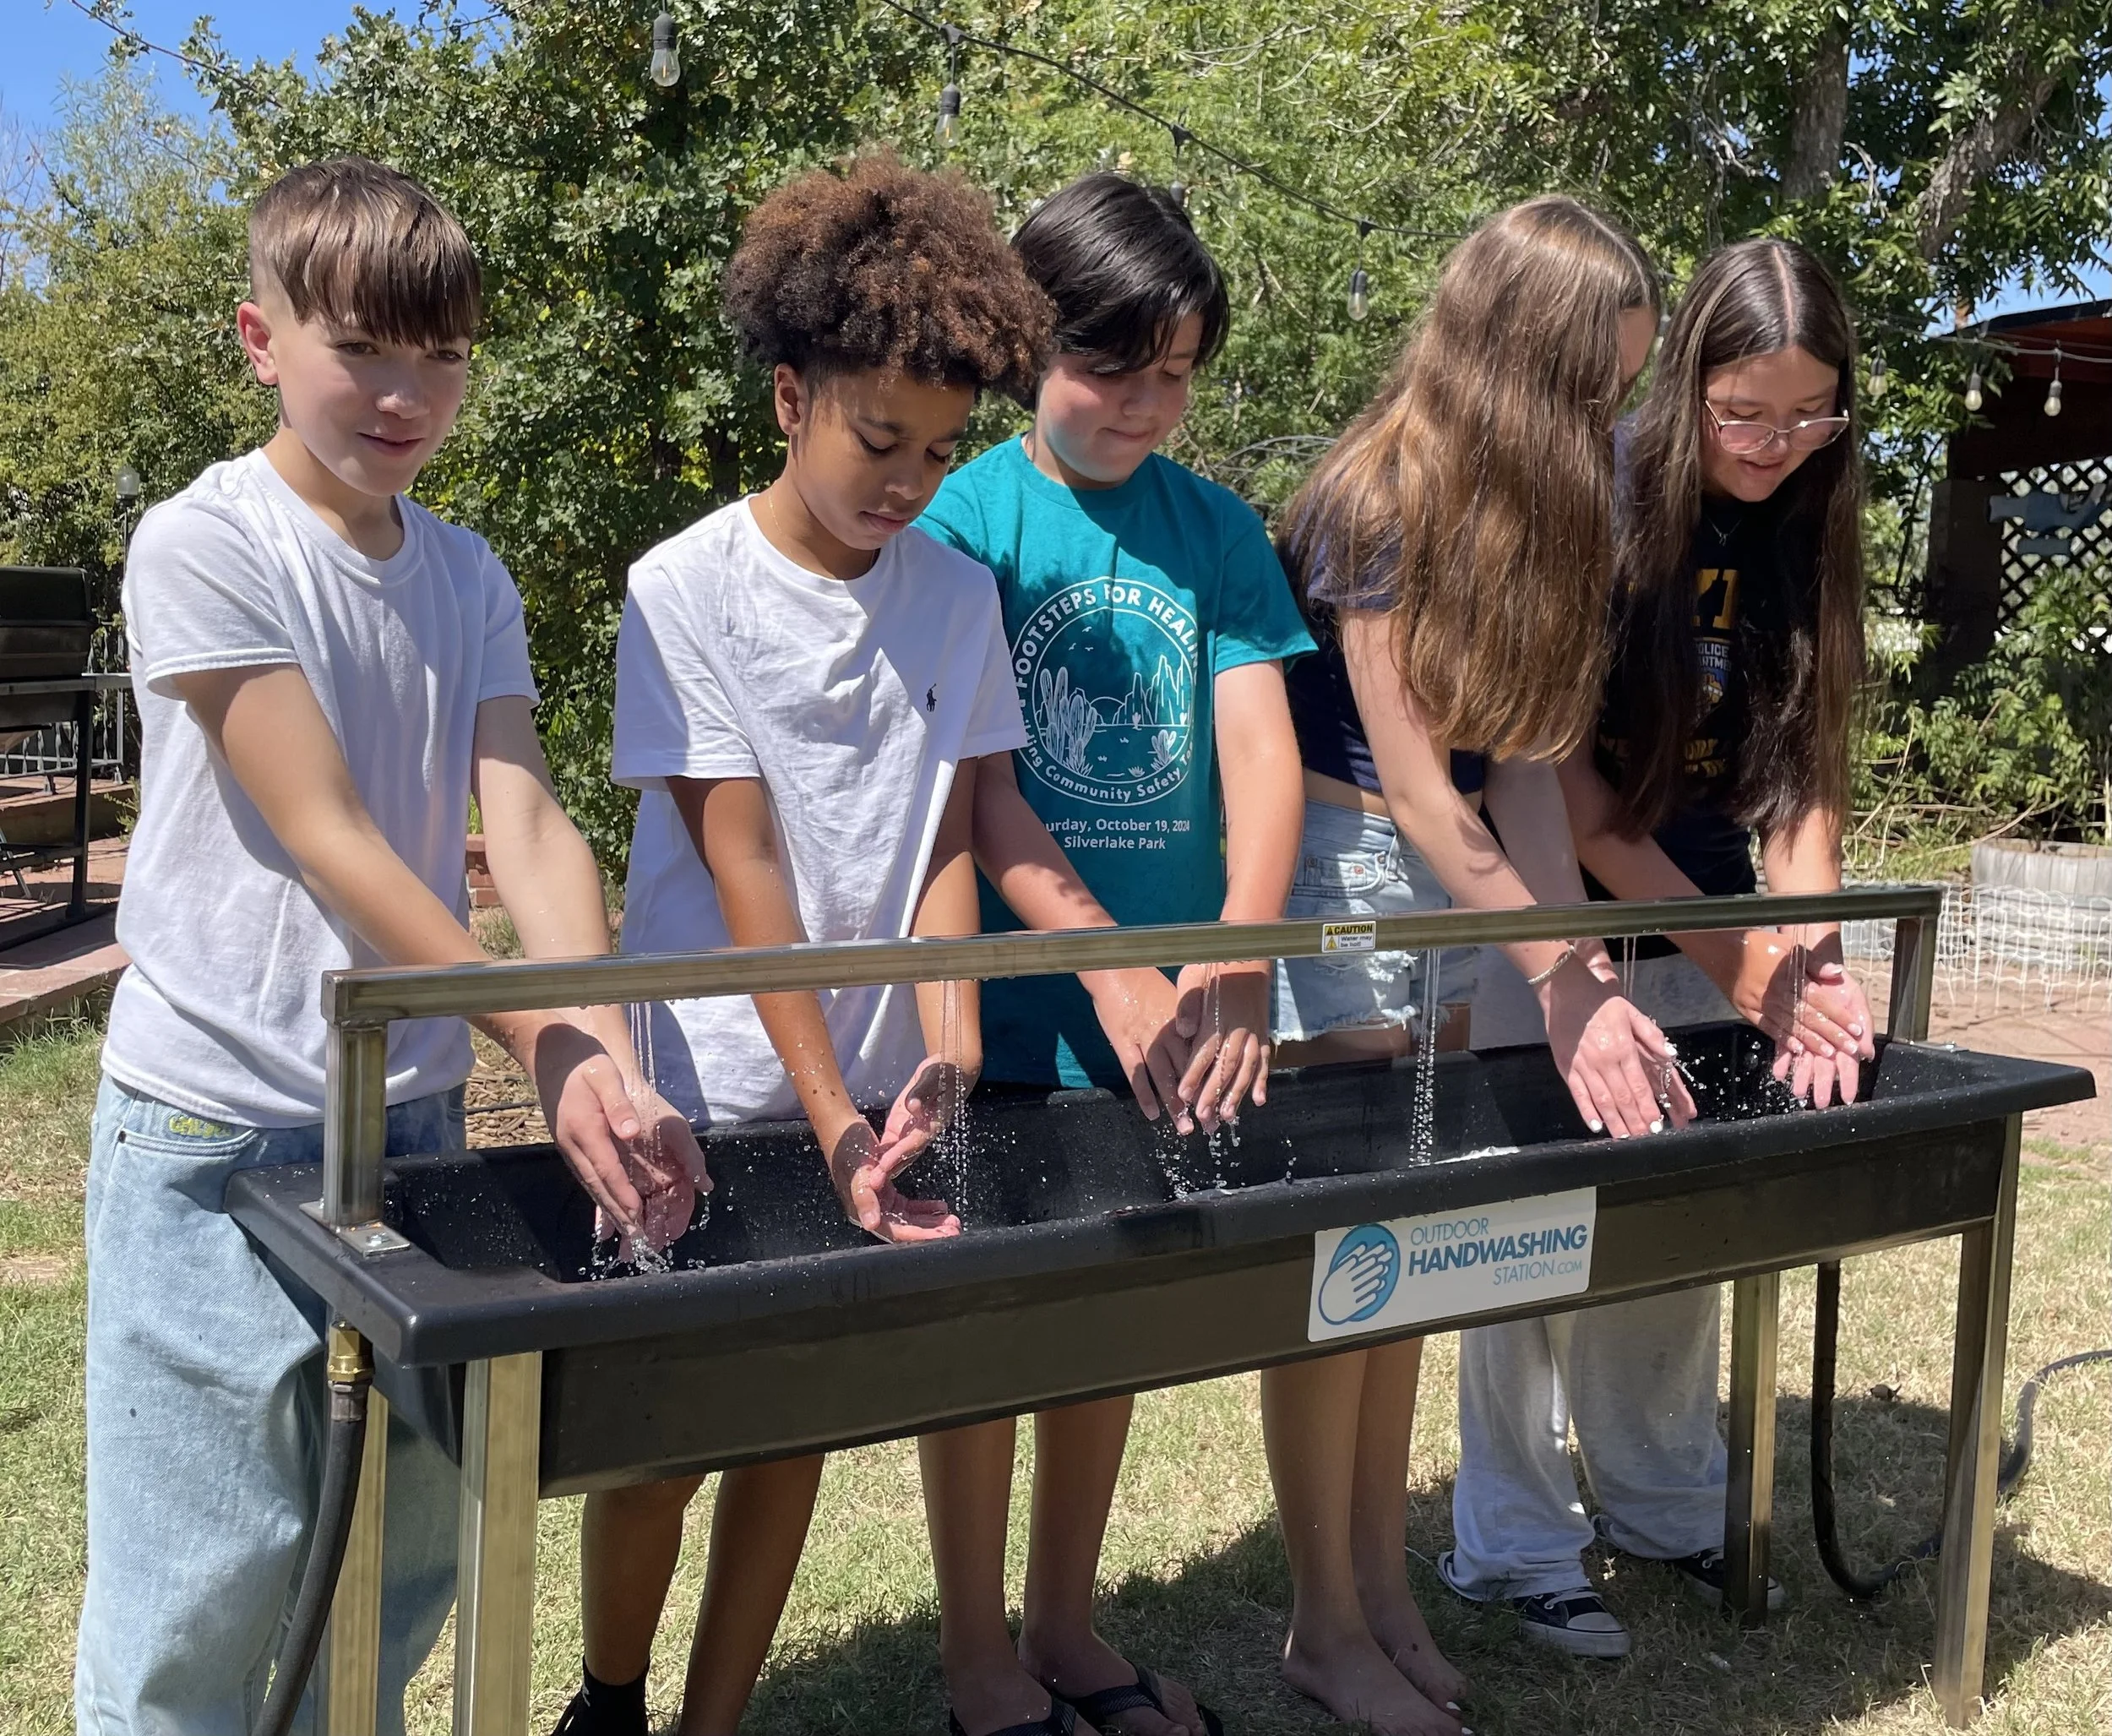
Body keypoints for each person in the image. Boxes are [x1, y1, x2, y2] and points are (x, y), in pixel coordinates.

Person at [558, 153, 1196, 1736]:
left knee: (794, 1432)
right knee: (663, 1448)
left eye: (939, 447)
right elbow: (746, 863)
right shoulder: (680, 590)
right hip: (710, 1090)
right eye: (877, 439)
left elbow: (940, 854)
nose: (909, 479)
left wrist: (946, 1069)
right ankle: (610, 1698)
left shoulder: (955, 597)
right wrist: (832, 1110)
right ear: (790, 397)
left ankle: (712, 1723)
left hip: (878, 1099)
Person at [76, 157, 699, 1735]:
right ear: (260, 338)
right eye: (361, 346)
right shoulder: (201, 543)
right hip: (213, 1126)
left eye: (441, 354)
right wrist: (537, 1039)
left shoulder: (469, 572)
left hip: (408, 1123)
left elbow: (534, 824)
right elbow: (328, 827)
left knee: (406, 1547)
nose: (404, 392)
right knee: (204, 1584)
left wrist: (606, 1055)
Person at [1270, 196, 1684, 1723]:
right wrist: (1566, 979)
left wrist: (1575, 971)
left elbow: (1516, 768)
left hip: (1455, 889)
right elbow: (1419, 784)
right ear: (1518, 361)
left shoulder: (1547, 509)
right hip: (1339, 869)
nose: (1616, 417)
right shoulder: (1376, 495)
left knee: (1413, 1251)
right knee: (1344, 1256)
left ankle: (1381, 1588)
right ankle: (1322, 1617)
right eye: (1598, 387)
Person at [912, 171, 1309, 1736]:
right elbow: (975, 786)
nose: (1147, 403)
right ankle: (974, 1653)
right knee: (990, 1336)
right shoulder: (964, 517)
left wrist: (1239, 956)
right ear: (1031, 346)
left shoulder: (1215, 531)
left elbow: (1263, 756)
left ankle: (1069, 1625)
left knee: (1105, 1328)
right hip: (1009, 1011)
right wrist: (1107, 966)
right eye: (1111, 366)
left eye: (1178, 370)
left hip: (1174, 1018)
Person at [1446, 236, 1876, 1657]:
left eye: (1808, 415)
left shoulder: (1810, 516)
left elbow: (1804, 778)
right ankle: (1513, 1541)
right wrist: (1737, 959)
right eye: (1746, 411)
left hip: (1705, 916)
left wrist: (1802, 956)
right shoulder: (1606, 496)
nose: (1774, 443)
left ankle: (1662, 1501)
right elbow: (1562, 789)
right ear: (1687, 377)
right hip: (1550, 914)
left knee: (1675, 1224)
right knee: (1524, 1219)